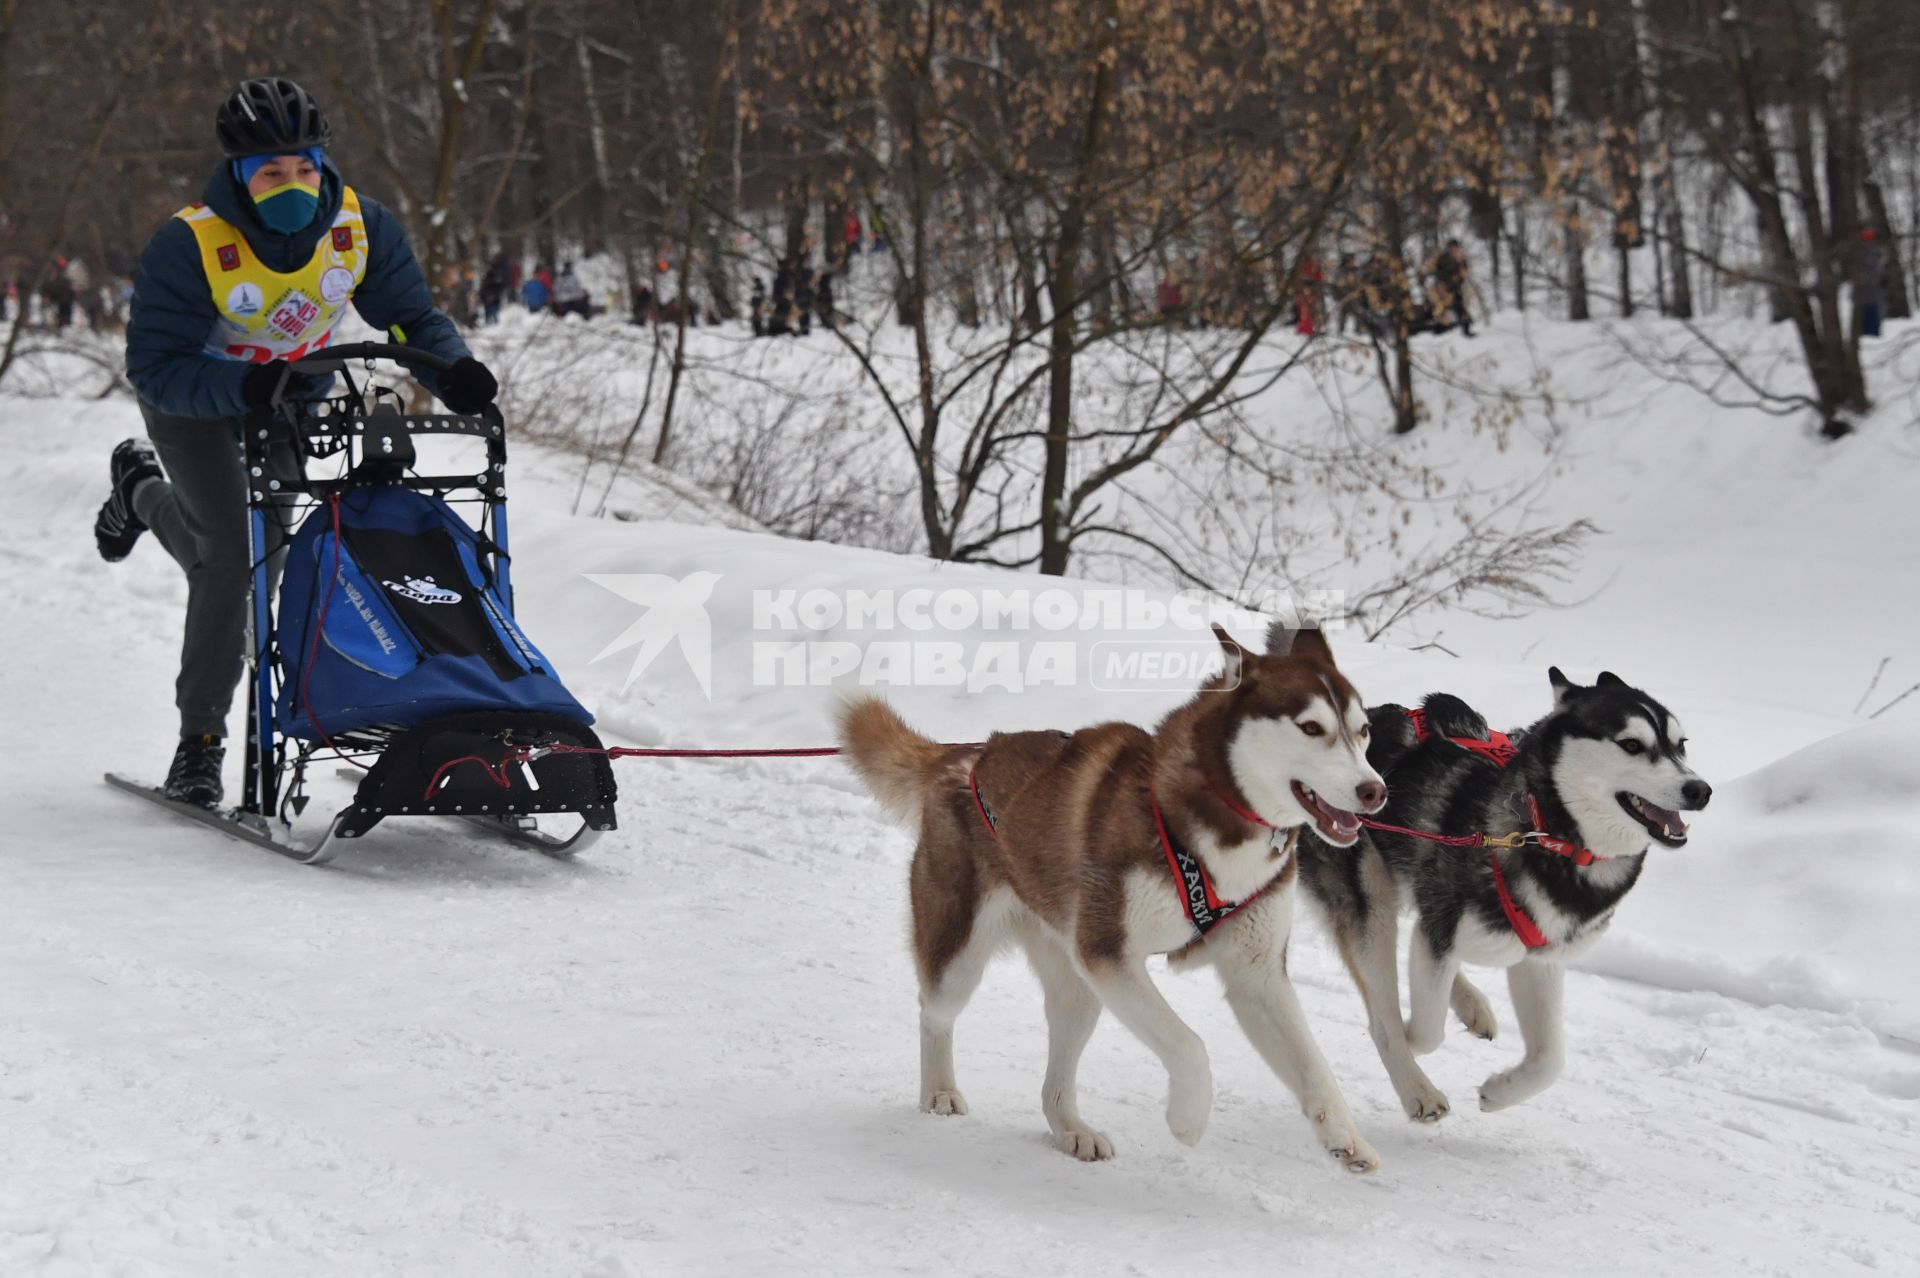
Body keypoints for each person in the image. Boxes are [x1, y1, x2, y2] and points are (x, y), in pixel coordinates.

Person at [97, 76, 496, 808]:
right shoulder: (190, 243)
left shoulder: (360, 226)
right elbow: (155, 368)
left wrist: (455, 372)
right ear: (240, 176)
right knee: (232, 561)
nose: (293, 184)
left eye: (305, 167)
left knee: (256, 558)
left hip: (287, 401)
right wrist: (241, 386)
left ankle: (139, 492)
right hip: (196, 407)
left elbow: (409, 317)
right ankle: (201, 741)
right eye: (272, 172)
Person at [1424, 238, 1473, 337]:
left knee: (1460, 309)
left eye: (1455, 247)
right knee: (1439, 308)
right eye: (1452, 247)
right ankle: (1439, 328)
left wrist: (1459, 275)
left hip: (1455, 288)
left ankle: (1465, 330)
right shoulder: (1443, 257)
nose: (1454, 250)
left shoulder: (1461, 259)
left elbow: (1465, 274)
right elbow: (1432, 269)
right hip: (1443, 288)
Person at [1858, 227, 1886, 339]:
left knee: (1869, 313)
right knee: (1872, 313)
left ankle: (1870, 334)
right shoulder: (1873, 252)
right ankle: (1872, 334)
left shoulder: (1861, 253)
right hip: (1870, 290)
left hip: (1868, 291)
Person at [479, 251, 512, 324]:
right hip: (491, 292)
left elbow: (498, 280)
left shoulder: (498, 268)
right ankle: (490, 321)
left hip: (493, 291)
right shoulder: (497, 267)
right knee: (490, 307)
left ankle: (493, 321)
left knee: (492, 307)